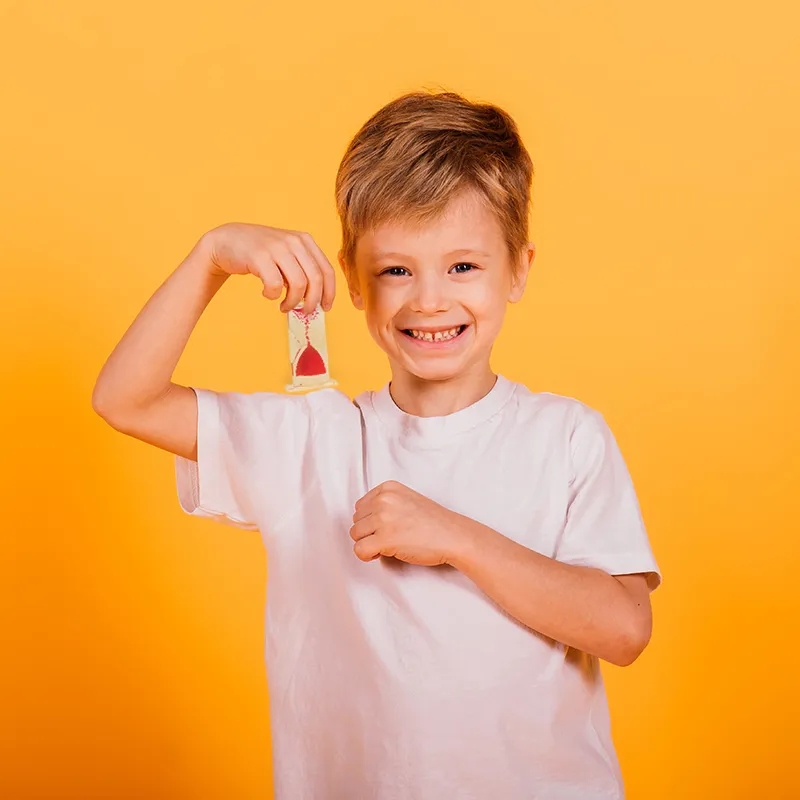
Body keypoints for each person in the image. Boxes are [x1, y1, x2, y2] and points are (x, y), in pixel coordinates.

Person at [93, 89, 662, 799]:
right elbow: (125, 399)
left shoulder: (567, 435)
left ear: (518, 269)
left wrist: (457, 537)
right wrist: (212, 256)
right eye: (397, 270)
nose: (428, 299)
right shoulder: (308, 441)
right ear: (356, 281)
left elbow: (624, 628)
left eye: (462, 266)